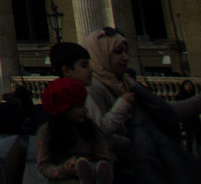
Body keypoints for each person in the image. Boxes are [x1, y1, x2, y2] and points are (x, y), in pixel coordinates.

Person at [83, 26, 201, 184]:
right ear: (100, 54)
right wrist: (140, 142)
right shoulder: (93, 88)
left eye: (126, 51)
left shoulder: (125, 82)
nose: (125, 57)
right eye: (118, 52)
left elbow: (163, 109)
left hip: (145, 162)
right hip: (121, 171)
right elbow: (100, 134)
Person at [38, 76, 117, 182]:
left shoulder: (90, 127)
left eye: (84, 105)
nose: (84, 110)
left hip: (93, 174)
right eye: (79, 106)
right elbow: (44, 166)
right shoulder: (46, 132)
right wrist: (63, 169)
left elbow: (103, 154)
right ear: (64, 109)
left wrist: (93, 167)